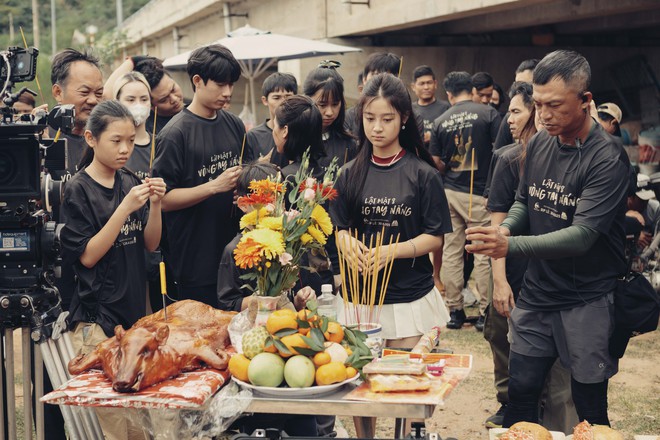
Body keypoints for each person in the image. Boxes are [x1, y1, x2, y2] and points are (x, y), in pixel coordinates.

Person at [466, 49, 630, 428]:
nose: (544, 114)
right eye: (538, 104)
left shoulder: (607, 158)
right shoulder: (539, 142)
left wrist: (511, 245)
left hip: (587, 297)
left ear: (586, 101)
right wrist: (505, 228)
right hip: (538, 292)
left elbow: (582, 236)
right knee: (521, 391)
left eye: (555, 105)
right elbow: (526, 200)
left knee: (588, 403)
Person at [60, 100, 166, 440]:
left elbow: (150, 244)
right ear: (91, 139)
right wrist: (124, 208)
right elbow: (87, 257)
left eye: (131, 141)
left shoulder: (130, 179)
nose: (125, 149)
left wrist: (156, 205)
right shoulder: (78, 188)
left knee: (143, 420)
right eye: (116, 141)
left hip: (135, 316)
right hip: (98, 323)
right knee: (117, 425)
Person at [483, 82, 578, 433]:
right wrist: (500, 280)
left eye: (518, 110)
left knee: (561, 381)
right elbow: (498, 226)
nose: (512, 118)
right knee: (517, 365)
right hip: (522, 278)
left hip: (564, 285)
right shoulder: (510, 159)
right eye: (528, 108)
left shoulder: (582, 157)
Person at [331, 73, 451, 347]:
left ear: (404, 118)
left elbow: (435, 237)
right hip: (357, 298)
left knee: (403, 381)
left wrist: (391, 252)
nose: (377, 128)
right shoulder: (347, 174)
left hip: (408, 298)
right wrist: (346, 241)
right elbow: (341, 228)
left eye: (387, 119)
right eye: (370, 118)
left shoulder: (424, 175)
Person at [152, 44, 248, 307]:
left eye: (231, 84)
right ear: (197, 81)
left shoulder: (234, 124)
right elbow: (163, 199)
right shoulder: (175, 134)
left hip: (238, 254)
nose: (227, 93)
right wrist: (213, 186)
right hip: (195, 261)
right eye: (220, 84)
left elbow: (246, 175)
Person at [430, 71, 501, 331]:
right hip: (482, 192)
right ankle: (484, 313)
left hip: (451, 191)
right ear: (472, 90)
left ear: (448, 94)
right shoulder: (488, 113)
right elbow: (500, 151)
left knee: (451, 251)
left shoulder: (440, 121)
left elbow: (436, 162)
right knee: (482, 252)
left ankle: (455, 311)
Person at [217, 161, 316, 312]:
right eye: (265, 200)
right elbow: (227, 305)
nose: (274, 206)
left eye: (279, 198)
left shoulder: (291, 242)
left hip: (288, 326)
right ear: (244, 204)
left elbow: (293, 298)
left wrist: (300, 300)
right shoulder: (234, 250)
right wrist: (265, 297)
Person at [50, 48, 105, 178]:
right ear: (58, 92)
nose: (93, 100)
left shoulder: (105, 137)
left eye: (99, 93)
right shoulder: (43, 139)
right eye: (84, 92)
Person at [103, 55, 185, 133]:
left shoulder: (194, 110)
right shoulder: (147, 127)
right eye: (164, 100)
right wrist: (132, 61)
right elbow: (107, 95)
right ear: (150, 104)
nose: (174, 99)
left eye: (173, 89)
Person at [303, 61, 357, 169]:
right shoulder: (294, 139)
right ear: (307, 100)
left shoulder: (349, 145)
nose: (330, 112)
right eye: (322, 105)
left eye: (335, 104)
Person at [245, 72, 297, 168]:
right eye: (276, 98)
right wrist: (259, 164)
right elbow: (244, 171)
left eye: (288, 97)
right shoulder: (253, 135)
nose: (283, 102)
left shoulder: (301, 130)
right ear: (265, 101)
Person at [345, 52, 401, 135]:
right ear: (364, 79)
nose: (380, 81)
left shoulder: (406, 114)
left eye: (387, 119)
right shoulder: (349, 115)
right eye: (375, 75)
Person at [494, 59, 540, 150]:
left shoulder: (547, 119)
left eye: (525, 85)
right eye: (516, 84)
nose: (518, 89)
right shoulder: (510, 118)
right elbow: (498, 153)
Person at [410, 65, 451, 149]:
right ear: (413, 87)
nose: (426, 87)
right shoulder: (409, 109)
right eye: (422, 84)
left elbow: (452, 134)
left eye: (429, 83)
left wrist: (433, 137)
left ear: (435, 84)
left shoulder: (446, 108)